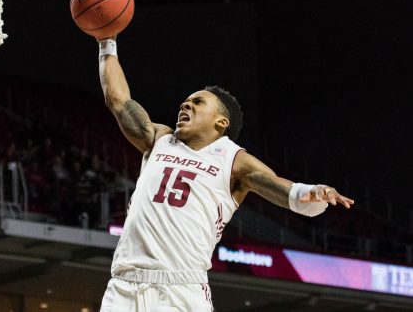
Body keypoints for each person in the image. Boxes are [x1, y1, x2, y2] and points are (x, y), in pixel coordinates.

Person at [95, 37, 354, 312]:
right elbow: (119, 100)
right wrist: (106, 41)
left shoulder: (233, 160)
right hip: (123, 286)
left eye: (197, 102)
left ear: (221, 122)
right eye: (184, 102)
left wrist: (310, 192)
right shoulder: (159, 138)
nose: (185, 105)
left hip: (180, 291)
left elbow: (279, 186)